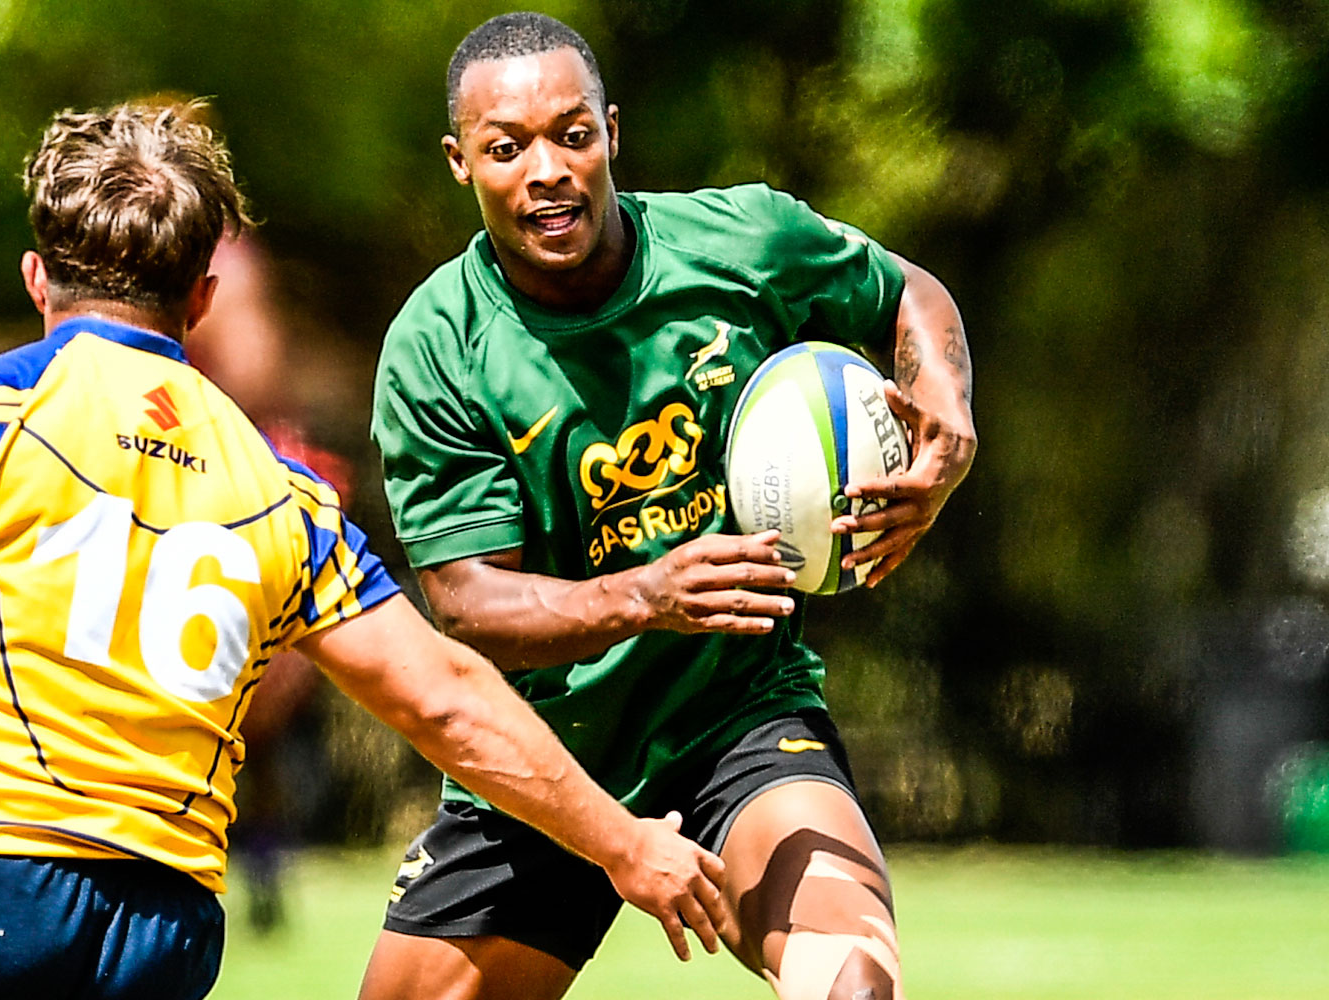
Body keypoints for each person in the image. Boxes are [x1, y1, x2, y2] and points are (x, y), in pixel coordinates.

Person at [0, 99, 732, 1000]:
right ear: (200, 296)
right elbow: (446, 696)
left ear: (36, 277)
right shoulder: (285, 494)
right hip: (160, 938)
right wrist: (624, 842)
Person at [361, 13, 976, 1000]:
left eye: (572, 135)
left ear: (611, 132)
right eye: (505, 149)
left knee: (851, 980)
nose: (547, 171)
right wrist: (648, 594)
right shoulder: (439, 344)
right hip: (541, 766)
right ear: (458, 160)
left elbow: (906, 293)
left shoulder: (741, 243)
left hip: (735, 718)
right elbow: (469, 607)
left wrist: (945, 413)